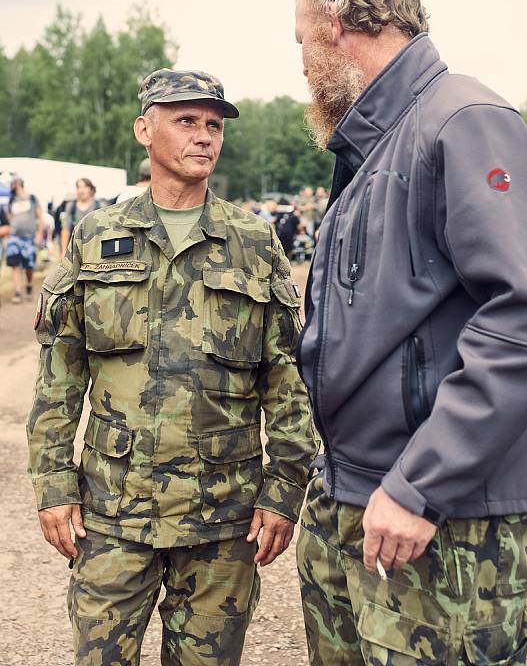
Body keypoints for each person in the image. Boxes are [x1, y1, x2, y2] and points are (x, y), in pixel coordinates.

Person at [27, 68, 317, 666]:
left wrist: (284, 489)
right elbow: (60, 374)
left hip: (222, 517)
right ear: (144, 130)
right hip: (112, 513)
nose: (204, 136)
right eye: (187, 121)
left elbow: (288, 378)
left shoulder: (254, 241)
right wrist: (53, 484)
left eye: (213, 125)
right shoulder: (96, 236)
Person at [294, 0, 527, 665]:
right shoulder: (374, 143)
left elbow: (519, 317)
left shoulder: (461, 119)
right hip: (360, 497)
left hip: (439, 517)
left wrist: (418, 484)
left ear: (337, 27)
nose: (301, 62)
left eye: (301, 40)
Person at [5, 176, 43, 303]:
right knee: (15, 264)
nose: (11, 186)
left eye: (13, 183)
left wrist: (39, 235)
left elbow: (40, 217)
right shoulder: (11, 200)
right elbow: (9, 218)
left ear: (19, 184)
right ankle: (17, 293)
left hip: (29, 238)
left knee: (29, 266)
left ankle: (29, 284)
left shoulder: (32, 198)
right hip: (14, 237)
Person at [60, 178, 101, 256]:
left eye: (85, 187)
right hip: (75, 250)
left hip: (95, 250)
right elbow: (65, 229)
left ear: (90, 189)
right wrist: (63, 251)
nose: (81, 190)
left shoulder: (98, 206)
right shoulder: (71, 206)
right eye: (78, 187)